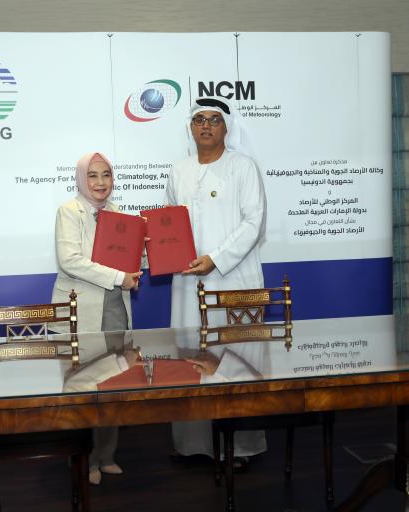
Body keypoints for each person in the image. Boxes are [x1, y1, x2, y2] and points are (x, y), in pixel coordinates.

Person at [165, 97, 268, 462]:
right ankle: (194, 444)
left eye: (214, 120)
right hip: (188, 281)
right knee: (192, 357)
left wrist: (216, 259)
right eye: (199, 120)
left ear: (227, 128)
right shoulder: (178, 170)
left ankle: (240, 447)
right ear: (190, 128)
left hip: (233, 278)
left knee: (236, 358)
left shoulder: (243, 167)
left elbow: (254, 223)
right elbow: (170, 225)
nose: (206, 126)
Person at [51, 151, 143, 485]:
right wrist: (121, 276)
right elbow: (70, 260)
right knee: (83, 388)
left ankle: (106, 456)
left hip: (116, 307)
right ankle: (84, 460)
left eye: (106, 175)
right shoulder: (68, 211)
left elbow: (131, 261)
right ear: (80, 178)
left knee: (114, 385)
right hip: (81, 311)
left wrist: (145, 255)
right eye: (93, 175)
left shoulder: (119, 214)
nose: (101, 182)